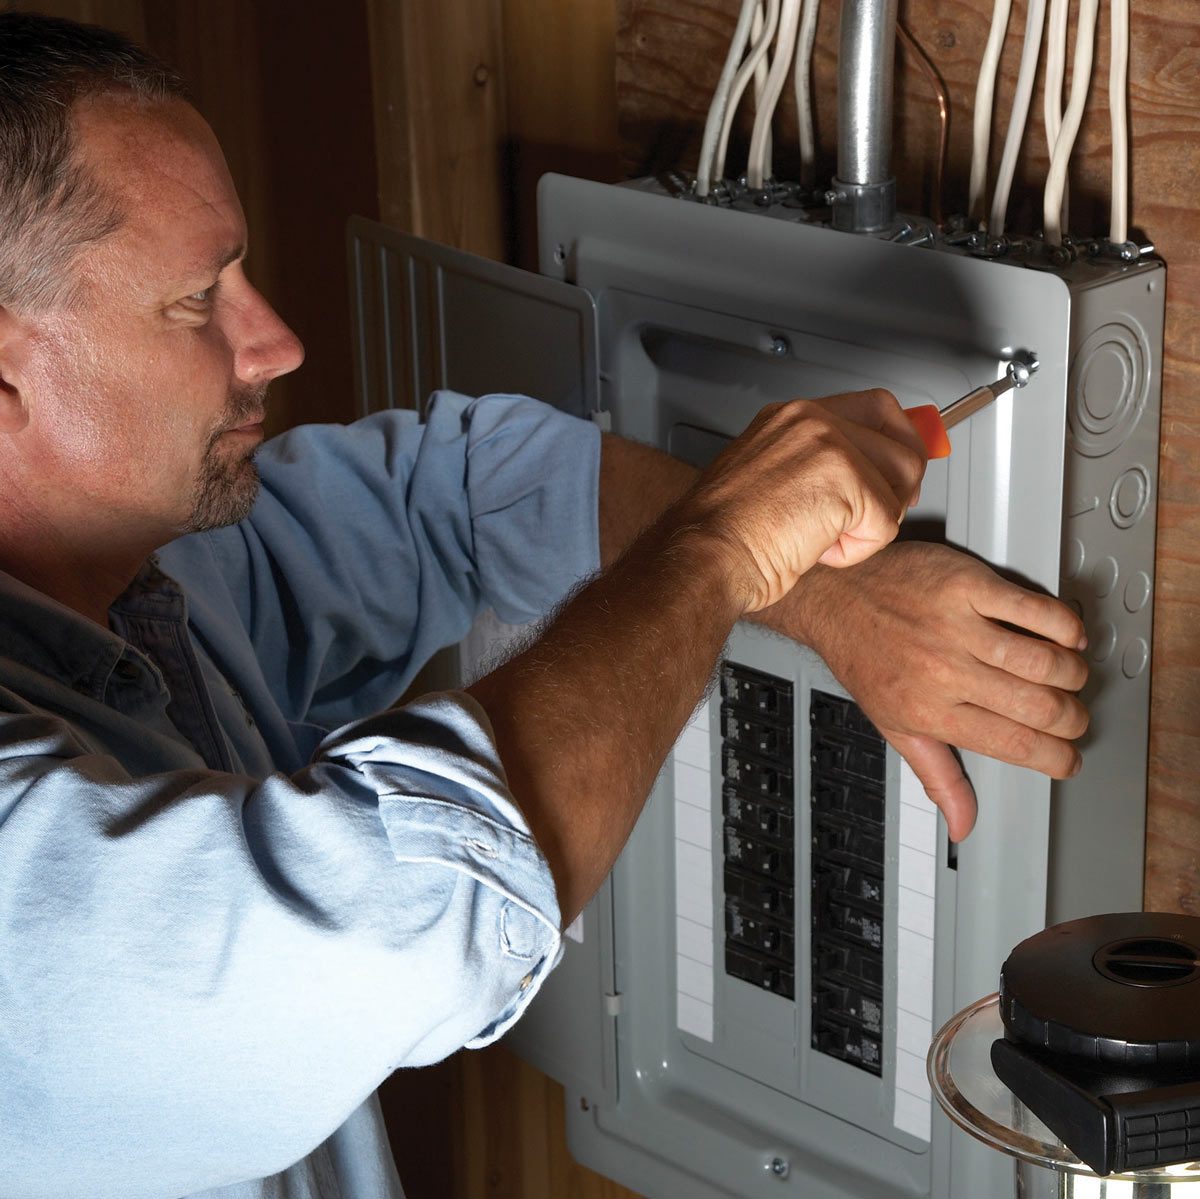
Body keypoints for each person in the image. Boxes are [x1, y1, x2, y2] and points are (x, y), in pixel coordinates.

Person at [0, 13, 1088, 1199]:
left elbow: (458, 494)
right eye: (196, 301)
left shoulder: (159, 580)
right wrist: (724, 548)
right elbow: (401, 917)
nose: (276, 342)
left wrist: (832, 596)